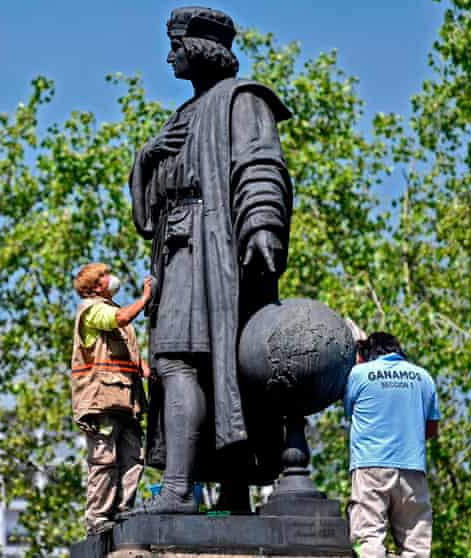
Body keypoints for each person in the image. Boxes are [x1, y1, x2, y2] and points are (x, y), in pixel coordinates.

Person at [127, 6, 293, 514]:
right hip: (178, 249)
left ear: (200, 47)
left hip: (214, 250)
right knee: (194, 366)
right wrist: (148, 155)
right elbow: (149, 211)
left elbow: (261, 162)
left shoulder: (242, 100)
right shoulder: (180, 117)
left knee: (184, 361)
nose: (169, 55)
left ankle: (181, 491)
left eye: (176, 44)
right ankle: (227, 492)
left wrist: (262, 224)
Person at [70, 263, 152, 534]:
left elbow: (126, 355)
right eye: (103, 276)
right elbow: (120, 319)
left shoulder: (111, 308)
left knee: (134, 457)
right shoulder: (92, 310)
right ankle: (98, 519)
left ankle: (122, 510)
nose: (110, 277)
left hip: (126, 402)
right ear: (94, 286)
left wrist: (146, 370)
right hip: (100, 402)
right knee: (104, 460)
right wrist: (145, 299)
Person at [343, 332, 440, 557]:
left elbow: (351, 411)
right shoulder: (423, 377)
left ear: (367, 355)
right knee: (416, 544)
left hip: (371, 467)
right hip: (412, 470)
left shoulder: (359, 374)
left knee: (368, 539)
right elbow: (431, 430)